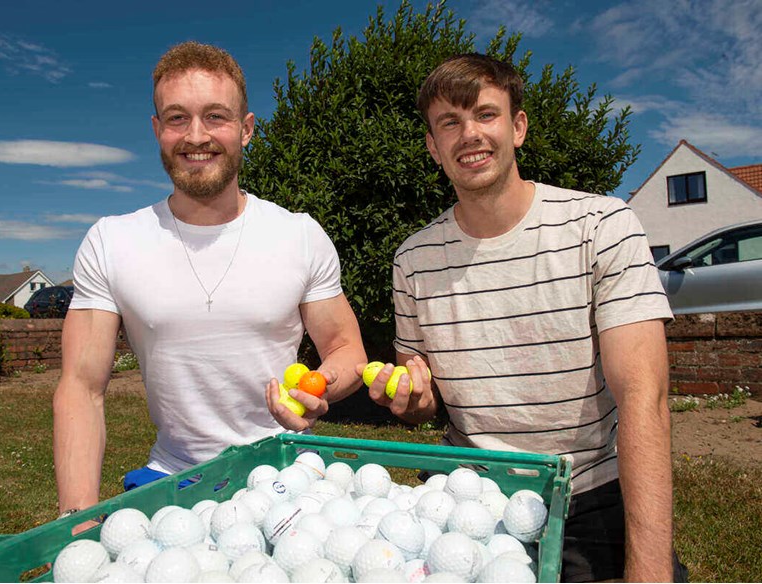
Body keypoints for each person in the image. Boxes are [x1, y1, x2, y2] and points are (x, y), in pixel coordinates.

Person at [361, 53, 684, 582]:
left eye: (486, 115)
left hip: (587, 496)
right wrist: (414, 398)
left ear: (518, 127)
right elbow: (423, 403)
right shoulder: (412, 259)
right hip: (466, 496)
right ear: (432, 146)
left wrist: (648, 573)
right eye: (449, 122)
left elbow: (644, 399)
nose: (469, 134)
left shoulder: (601, 226)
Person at [53, 41, 365, 516]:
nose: (196, 136)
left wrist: (320, 384)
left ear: (246, 129)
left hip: (284, 471)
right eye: (177, 118)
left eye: (215, 116)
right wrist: (74, 521)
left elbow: (346, 348)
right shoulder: (111, 240)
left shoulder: (299, 234)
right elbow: (81, 385)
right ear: (157, 130)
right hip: (173, 476)